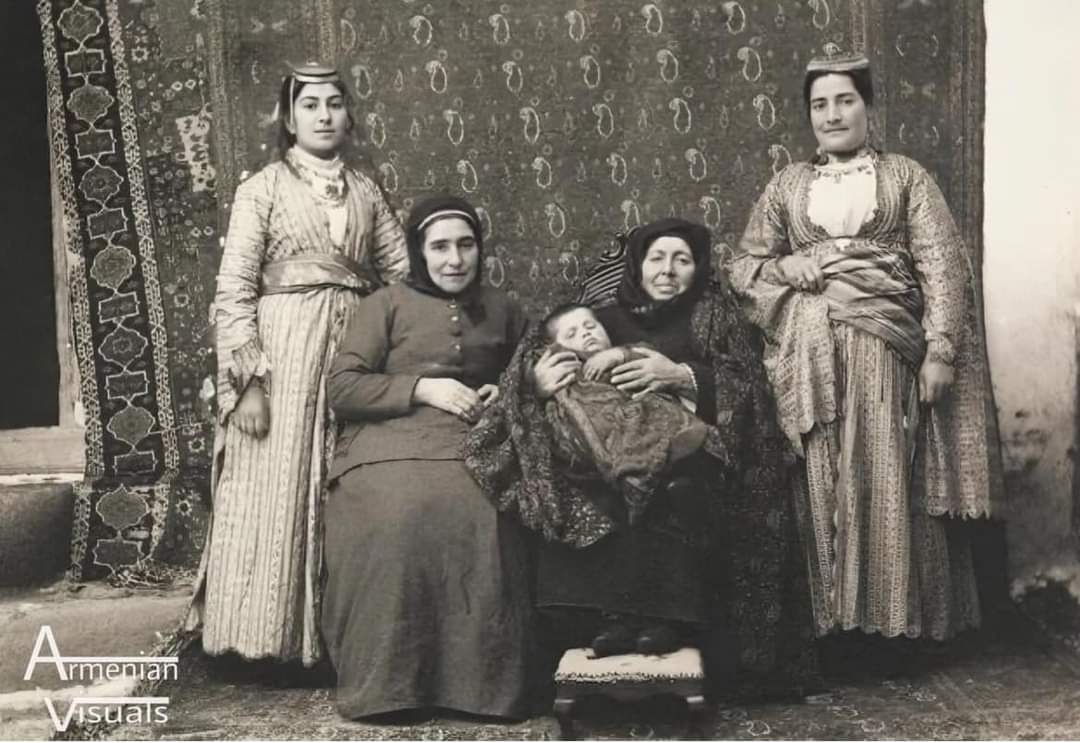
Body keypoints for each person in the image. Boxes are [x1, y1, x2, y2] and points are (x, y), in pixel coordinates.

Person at [466, 218, 817, 684]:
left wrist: (684, 376)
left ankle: (664, 621)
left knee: (676, 486)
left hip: (689, 444)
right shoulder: (601, 317)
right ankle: (610, 619)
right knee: (586, 483)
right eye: (656, 258)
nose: (667, 271)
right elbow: (533, 363)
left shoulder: (714, 317)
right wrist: (537, 384)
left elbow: (749, 388)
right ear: (637, 265)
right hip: (600, 450)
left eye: (682, 260)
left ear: (699, 269)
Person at [728, 51, 1004, 642]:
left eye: (844, 100)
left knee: (885, 481)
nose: (832, 115)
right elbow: (745, 266)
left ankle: (897, 628)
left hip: (886, 355)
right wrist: (790, 263)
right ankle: (835, 632)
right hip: (812, 358)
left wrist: (941, 352)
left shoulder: (906, 178)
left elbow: (942, 266)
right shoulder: (787, 186)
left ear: (869, 107)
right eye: (819, 105)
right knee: (825, 484)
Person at [186, 64, 409, 665]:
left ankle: (337, 646)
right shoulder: (262, 188)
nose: (324, 115)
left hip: (353, 355)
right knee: (274, 489)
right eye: (310, 105)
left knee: (345, 487)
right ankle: (260, 642)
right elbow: (233, 291)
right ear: (288, 118)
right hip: (281, 358)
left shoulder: (365, 190)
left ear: (348, 115)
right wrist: (250, 383)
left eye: (335, 104)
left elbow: (402, 278)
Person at [320, 195, 532, 720]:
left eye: (465, 245)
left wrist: (501, 394)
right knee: (398, 517)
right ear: (420, 252)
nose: (454, 259)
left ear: (480, 250)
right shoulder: (384, 304)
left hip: (475, 442)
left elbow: (530, 374)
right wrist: (421, 389)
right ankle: (389, 690)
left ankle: (482, 690)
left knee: (486, 516)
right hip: (388, 443)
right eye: (440, 247)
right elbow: (342, 386)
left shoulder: (505, 308)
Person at [537, 302, 708, 526]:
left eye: (591, 325)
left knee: (654, 413)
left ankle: (678, 469)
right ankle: (645, 478)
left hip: (644, 410)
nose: (586, 332)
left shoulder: (625, 351)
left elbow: (648, 353)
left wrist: (619, 354)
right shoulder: (562, 372)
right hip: (606, 433)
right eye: (572, 333)